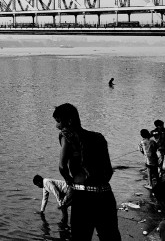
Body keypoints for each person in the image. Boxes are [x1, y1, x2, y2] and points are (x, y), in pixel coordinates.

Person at [52, 103, 121, 241]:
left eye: (59, 122)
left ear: (69, 121)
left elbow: (62, 166)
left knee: (80, 237)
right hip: (106, 195)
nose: (57, 126)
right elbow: (108, 172)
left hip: (83, 198)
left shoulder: (67, 135)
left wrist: (70, 183)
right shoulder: (98, 137)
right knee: (110, 236)